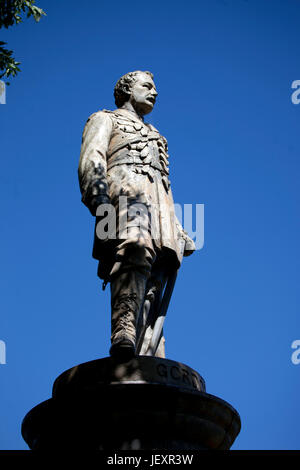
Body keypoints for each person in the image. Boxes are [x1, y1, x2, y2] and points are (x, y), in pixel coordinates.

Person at [78, 71, 195, 358]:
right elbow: (92, 159)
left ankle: (148, 351)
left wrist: (177, 227)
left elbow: (163, 183)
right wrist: (100, 201)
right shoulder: (105, 119)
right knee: (134, 251)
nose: (154, 92)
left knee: (157, 278)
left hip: (159, 210)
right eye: (147, 86)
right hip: (123, 199)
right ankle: (123, 329)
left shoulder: (158, 135)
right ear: (128, 90)